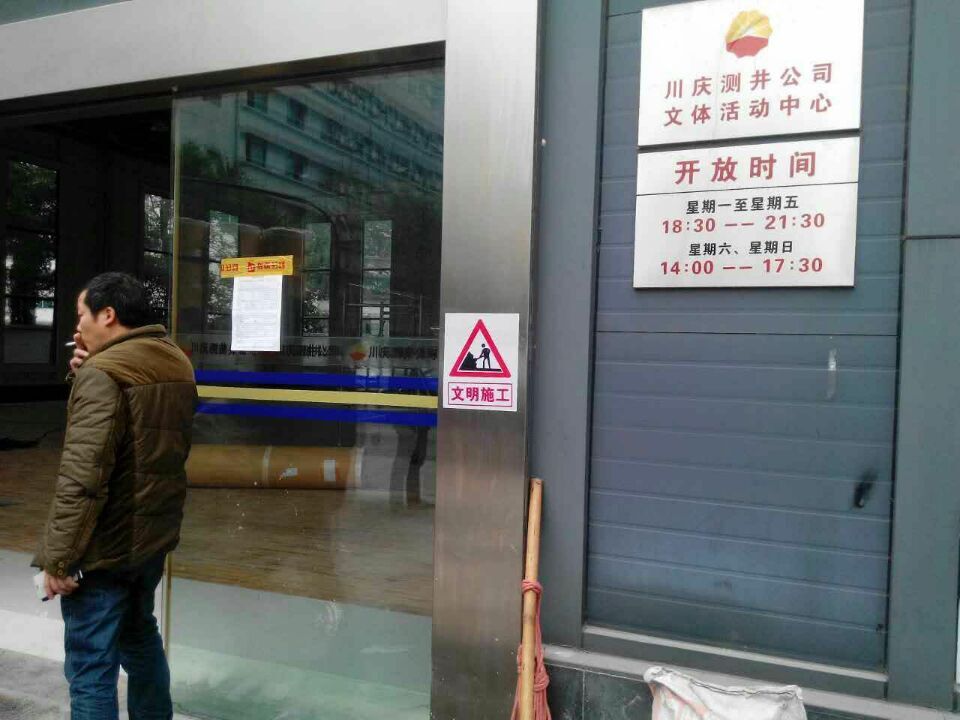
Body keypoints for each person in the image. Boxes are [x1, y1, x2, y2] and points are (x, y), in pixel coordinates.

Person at [32, 272, 197, 720]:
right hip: (150, 539)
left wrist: (59, 559)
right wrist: (86, 373)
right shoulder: (174, 361)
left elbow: (82, 477)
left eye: (81, 314)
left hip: (105, 546)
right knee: (140, 638)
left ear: (108, 315)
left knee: (90, 665)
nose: (76, 327)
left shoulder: (105, 373)